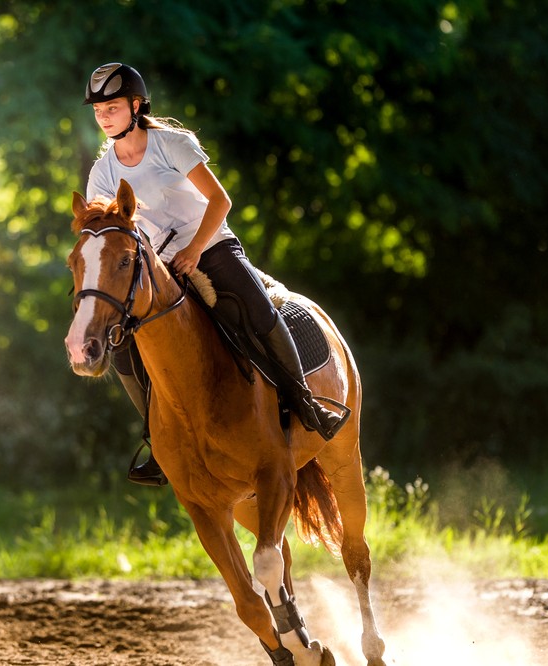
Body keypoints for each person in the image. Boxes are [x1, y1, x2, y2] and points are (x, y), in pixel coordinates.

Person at [83, 63, 349, 486]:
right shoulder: (102, 173)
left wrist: (193, 249)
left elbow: (220, 201)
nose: (103, 116)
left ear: (136, 106)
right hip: (158, 270)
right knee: (122, 349)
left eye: (112, 107)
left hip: (210, 247)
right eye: (98, 109)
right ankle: (156, 439)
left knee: (259, 312)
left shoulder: (171, 144)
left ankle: (305, 403)